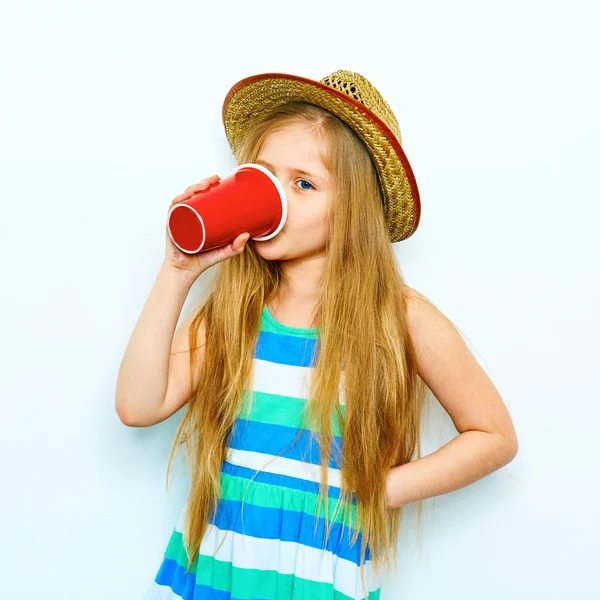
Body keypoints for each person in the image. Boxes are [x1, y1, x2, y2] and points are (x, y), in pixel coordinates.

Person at [115, 69, 519, 600]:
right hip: (221, 572)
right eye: (263, 176)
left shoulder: (402, 319)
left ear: (353, 211)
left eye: (303, 184)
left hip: (317, 578)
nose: (277, 197)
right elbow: (138, 406)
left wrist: (383, 488)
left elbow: (494, 436)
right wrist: (177, 271)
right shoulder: (234, 312)